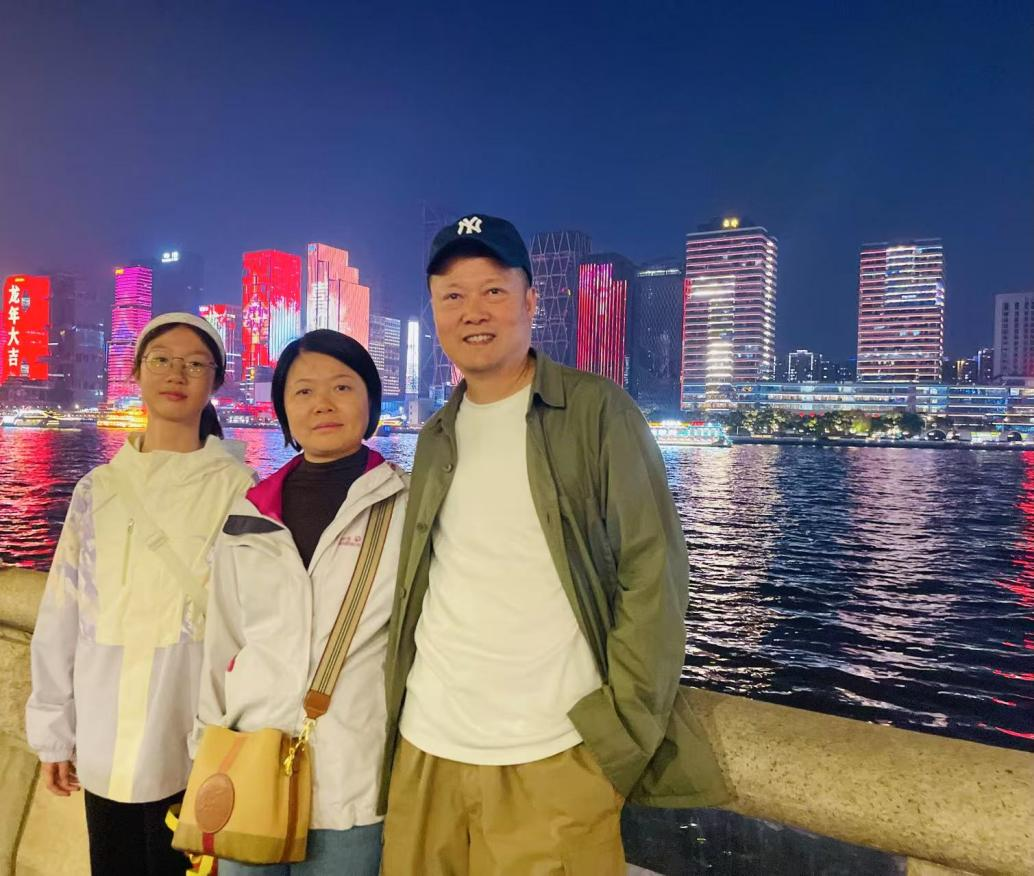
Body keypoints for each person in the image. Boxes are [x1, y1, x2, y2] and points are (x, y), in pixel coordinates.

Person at [380, 215, 729, 874]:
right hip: (427, 745)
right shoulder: (435, 436)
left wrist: (620, 737)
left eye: (493, 290)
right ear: (434, 312)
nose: (472, 311)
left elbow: (654, 572)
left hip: (555, 752)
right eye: (452, 295)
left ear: (531, 301)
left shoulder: (598, 411)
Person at [26, 313, 256, 876]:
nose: (177, 373)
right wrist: (54, 730)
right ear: (136, 371)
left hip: (192, 735)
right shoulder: (98, 489)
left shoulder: (240, 490)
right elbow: (62, 611)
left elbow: (250, 619)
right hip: (103, 733)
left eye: (195, 364)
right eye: (162, 360)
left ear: (216, 381)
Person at [196, 330, 407, 876]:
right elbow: (223, 642)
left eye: (342, 386)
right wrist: (206, 750)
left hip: (353, 773)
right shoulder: (250, 514)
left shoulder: (406, 507)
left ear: (371, 401)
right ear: (285, 410)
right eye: (304, 391)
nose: (323, 404)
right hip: (249, 764)